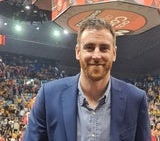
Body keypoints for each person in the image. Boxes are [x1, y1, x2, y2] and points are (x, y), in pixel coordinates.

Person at [23, 17, 152, 141]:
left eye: (104, 48)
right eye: (89, 48)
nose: (96, 55)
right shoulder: (49, 96)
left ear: (114, 53)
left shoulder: (135, 99)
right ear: (78, 52)